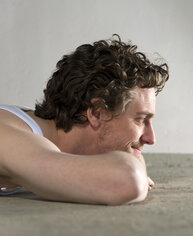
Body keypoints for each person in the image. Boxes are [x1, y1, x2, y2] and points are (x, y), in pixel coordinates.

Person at [0, 35, 169, 205]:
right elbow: (127, 180)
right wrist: (134, 165)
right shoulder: (10, 137)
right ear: (97, 114)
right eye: (140, 120)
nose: (150, 138)